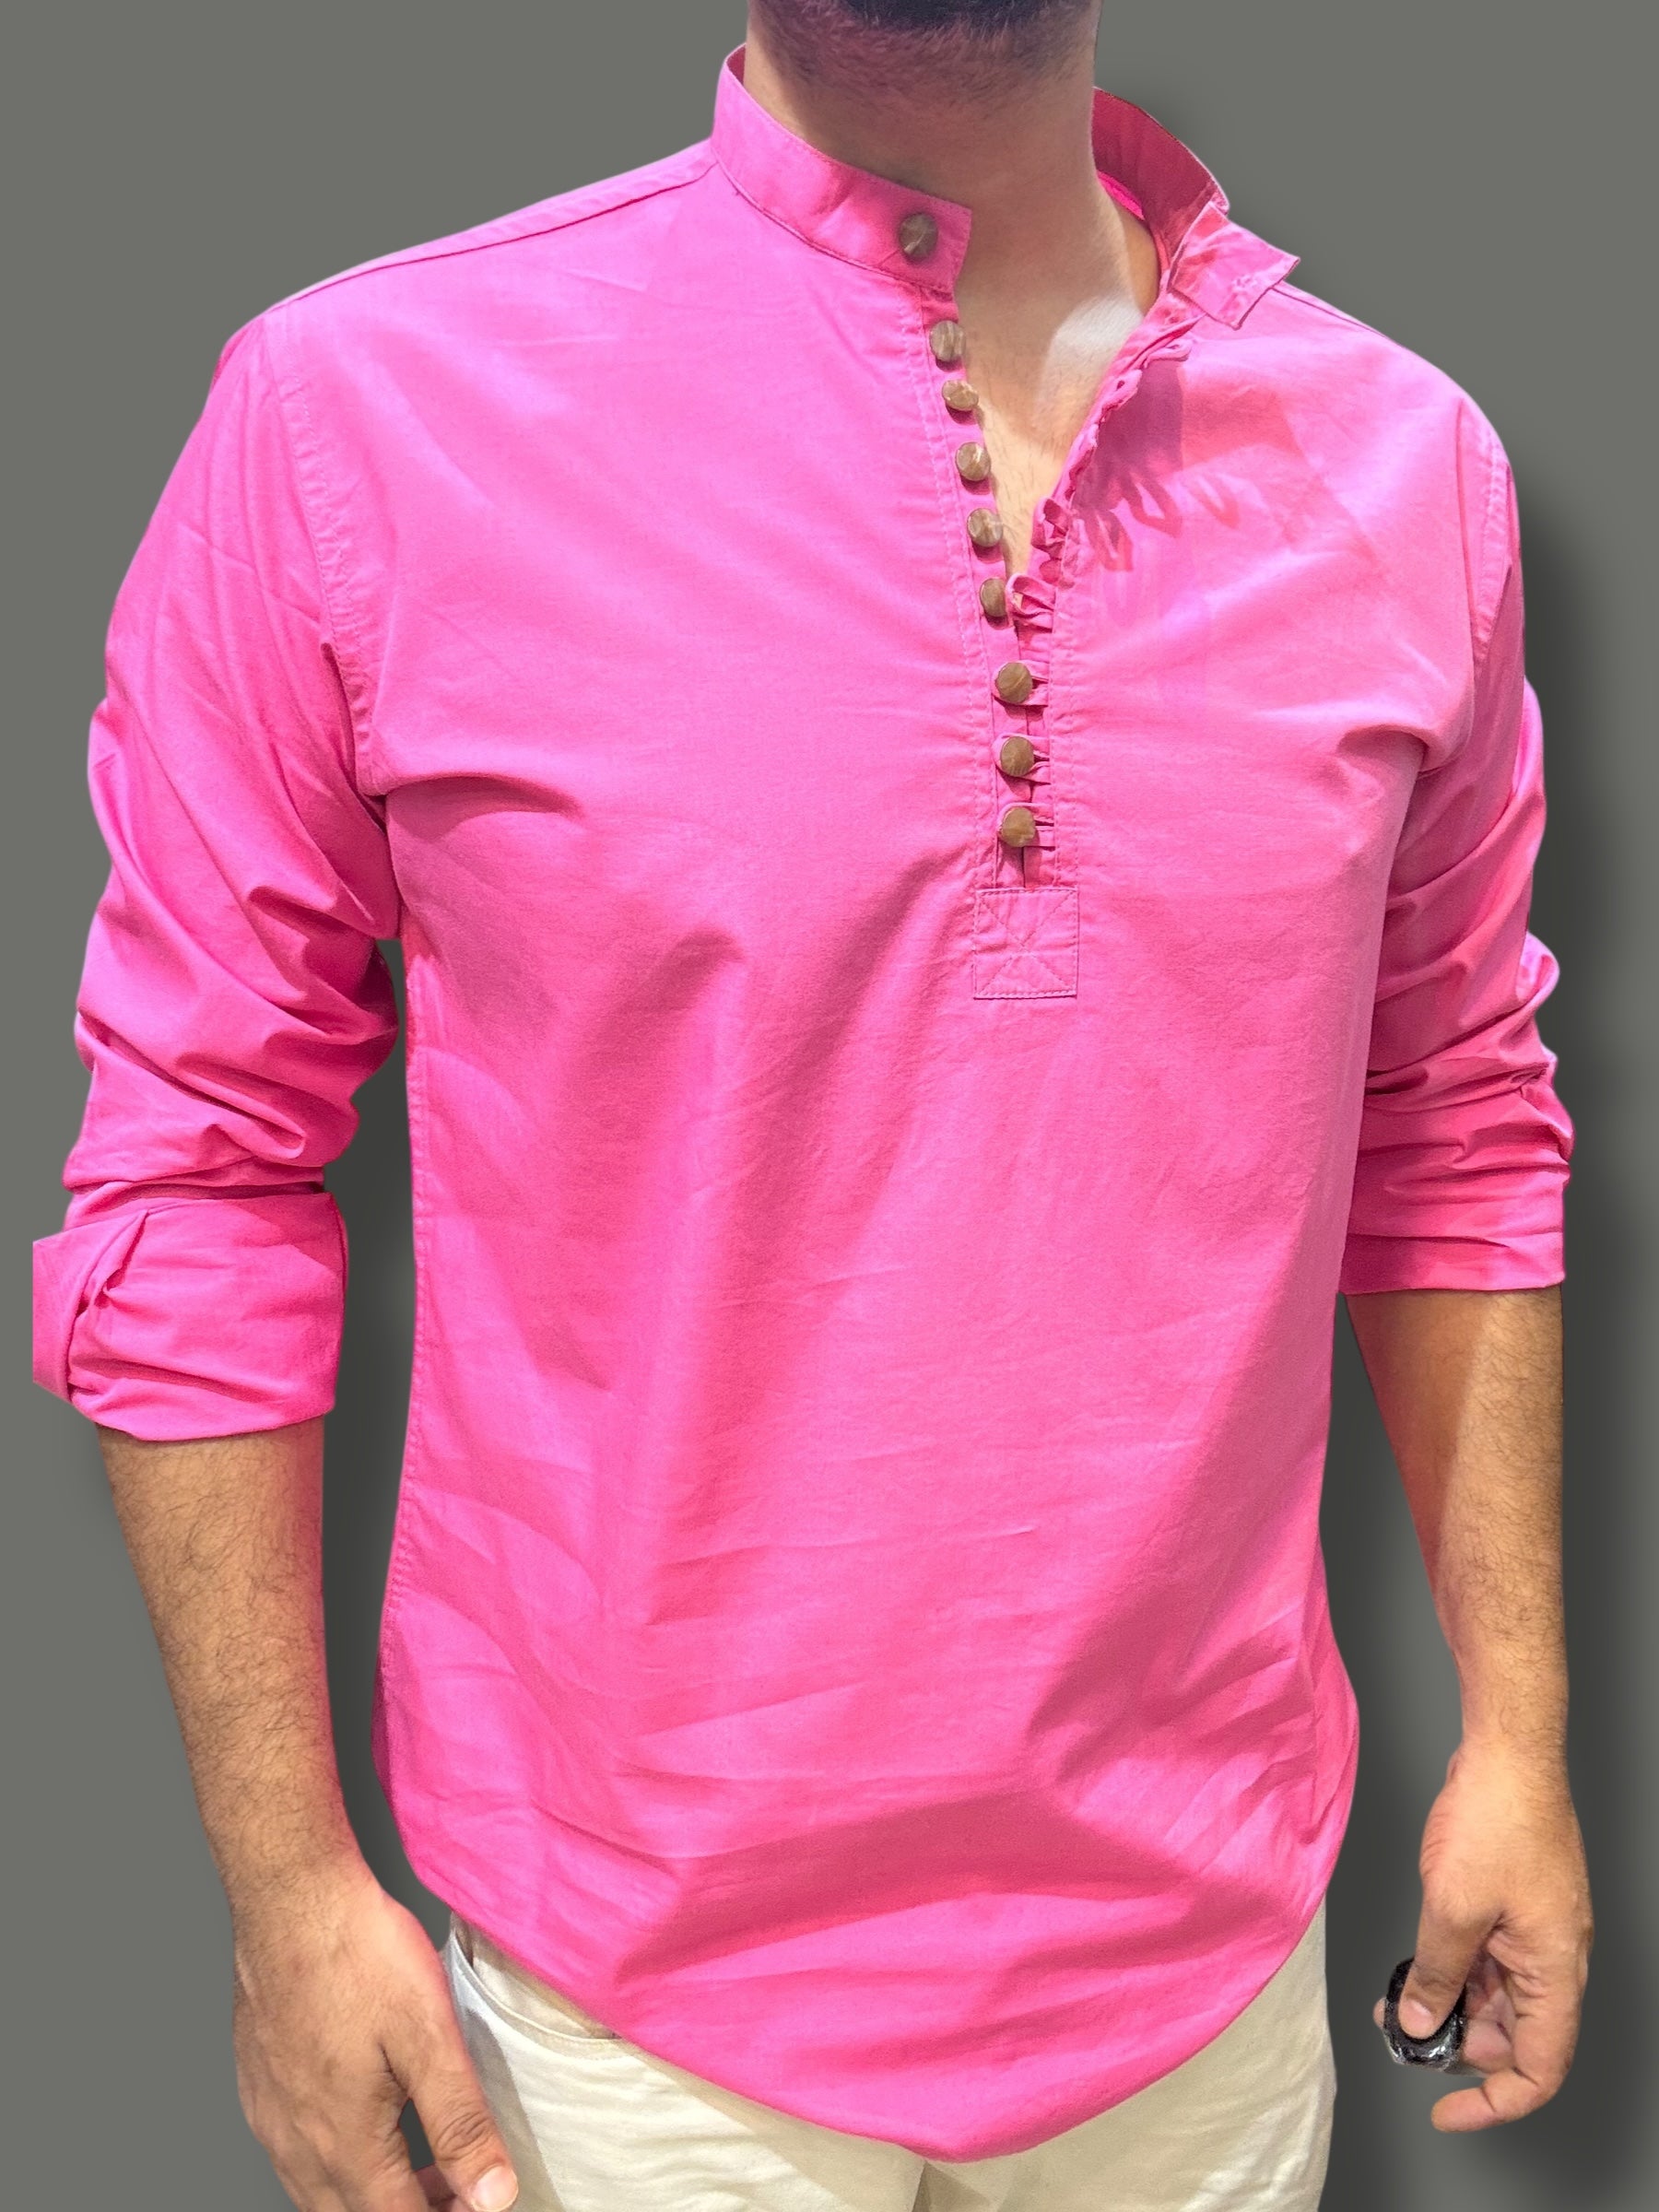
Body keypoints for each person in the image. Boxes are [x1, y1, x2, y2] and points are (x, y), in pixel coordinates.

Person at [31, 1, 1593, 2206]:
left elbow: (1450, 1124)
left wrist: (1517, 1731)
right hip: (624, 2022)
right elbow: (196, 1176)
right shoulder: (360, 418)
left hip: (1211, 1976)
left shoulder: (1406, 466)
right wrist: (287, 1892)